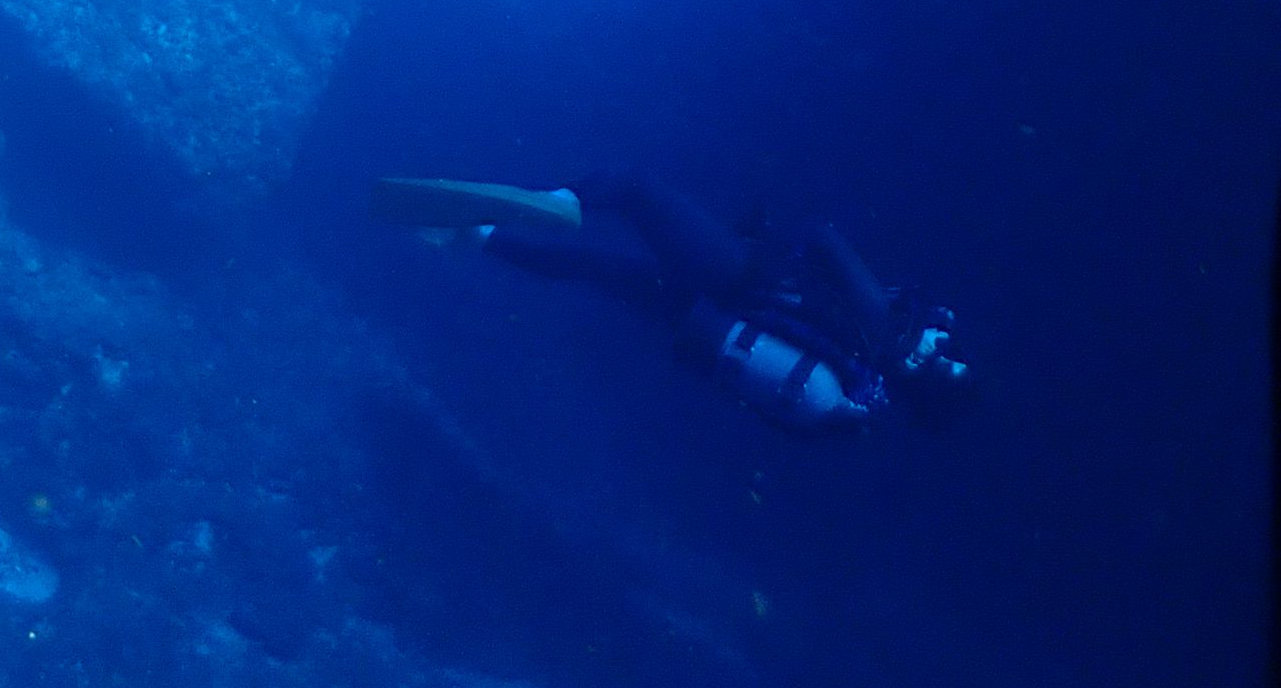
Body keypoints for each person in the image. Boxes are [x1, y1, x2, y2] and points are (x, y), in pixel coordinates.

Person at [371, 168, 970, 434]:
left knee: (635, 187)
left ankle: (558, 200)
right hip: (710, 320)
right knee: (596, 268)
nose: (945, 343)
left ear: (929, 366)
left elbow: (822, 238)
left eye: (948, 358)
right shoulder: (857, 396)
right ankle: (478, 236)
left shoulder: (883, 324)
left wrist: (759, 243)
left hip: (734, 275)